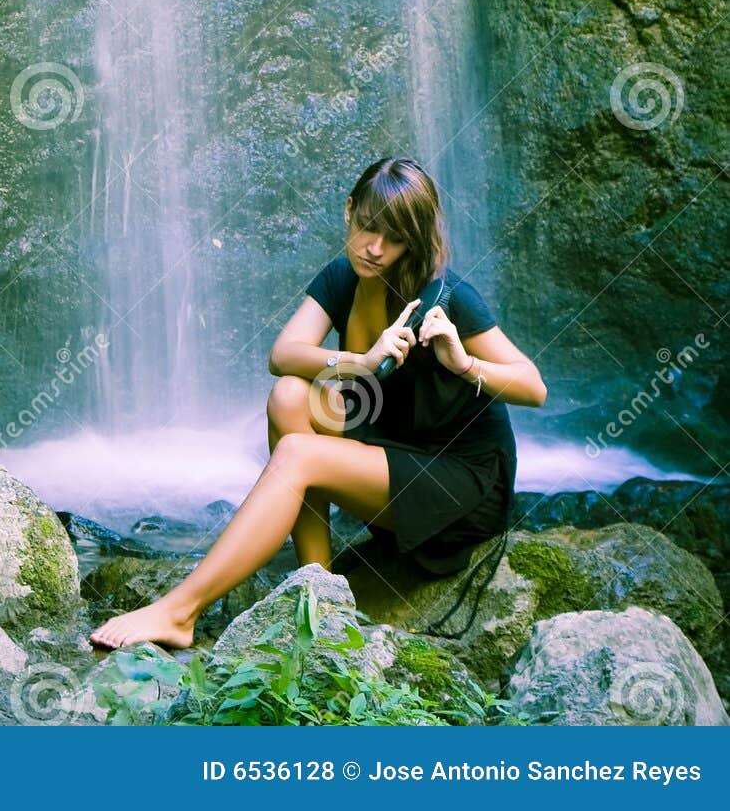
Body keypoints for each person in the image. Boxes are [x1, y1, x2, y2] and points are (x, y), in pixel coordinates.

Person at [90, 155, 546, 650]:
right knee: (289, 396)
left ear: (412, 241)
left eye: (394, 239)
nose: (375, 248)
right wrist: (362, 362)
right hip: (393, 456)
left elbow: (533, 387)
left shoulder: (446, 297)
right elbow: (283, 354)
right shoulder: (343, 277)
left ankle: (180, 612)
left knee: (299, 454)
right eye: (369, 227)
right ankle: (320, 589)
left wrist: (463, 363)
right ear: (349, 210)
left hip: (461, 484)